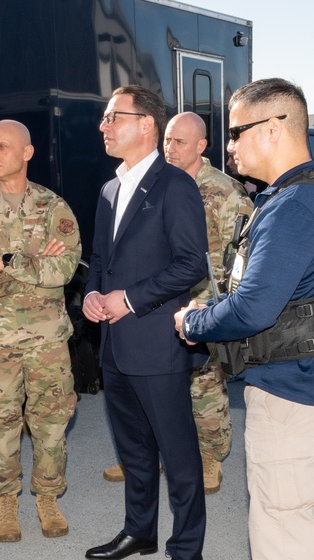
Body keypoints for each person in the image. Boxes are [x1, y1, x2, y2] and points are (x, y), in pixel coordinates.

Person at [175, 77, 314, 560]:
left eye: (237, 131)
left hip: (294, 387)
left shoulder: (295, 205)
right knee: (307, 501)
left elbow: (253, 307)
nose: (230, 146)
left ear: (273, 128)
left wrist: (195, 320)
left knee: (280, 519)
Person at [82, 85, 209, 560]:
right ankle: (140, 531)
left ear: (147, 125)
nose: (104, 126)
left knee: (178, 455)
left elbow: (190, 265)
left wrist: (128, 300)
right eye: (105, 118)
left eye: (114, 117)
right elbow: (99, 259)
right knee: (133, 449)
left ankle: (187, 552)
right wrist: (92, 295)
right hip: (115, 345)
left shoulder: (174, 185)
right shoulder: (111, 189)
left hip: (157, 343)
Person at [101, 112, 252, 493]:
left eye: (180, 142)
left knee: (203, 385)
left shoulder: (225, 192)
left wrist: (225, 306)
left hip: (202, 303)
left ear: (201, 146)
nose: (170, 148)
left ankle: (210, 457)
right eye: (167, 140)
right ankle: (146, 457)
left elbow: (244, 256)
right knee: (151, 388)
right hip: (155, 302)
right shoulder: (151, 183)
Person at [0, 120, 80, 542]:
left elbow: (64, 270)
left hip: (47, 339)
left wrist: (5, 261)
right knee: (0, 422)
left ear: (27, 153)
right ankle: (6, 501)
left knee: (51, 420)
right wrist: (33, 266)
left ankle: (47, 496)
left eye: (3, 146)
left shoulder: (53, 207)